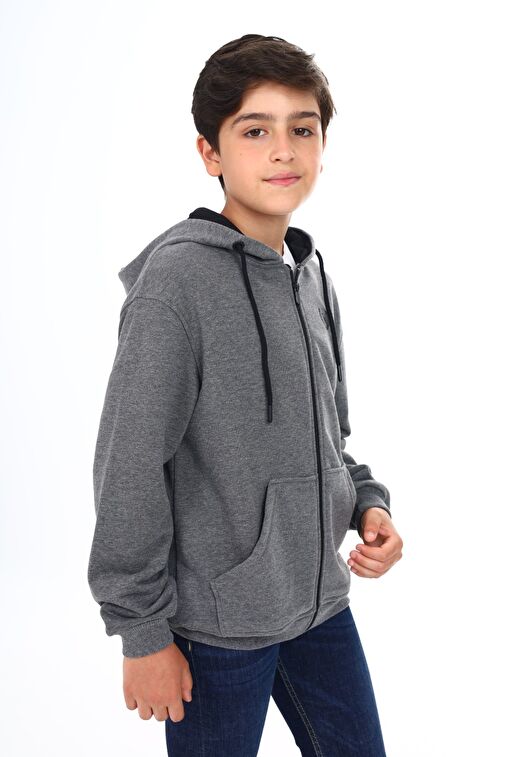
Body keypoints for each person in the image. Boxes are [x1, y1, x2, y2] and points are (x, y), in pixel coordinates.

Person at [87, 33, 403, 756]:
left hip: (317, 603)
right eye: (255, 131)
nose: (283, 151)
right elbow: (128, 465)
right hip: (217, 625)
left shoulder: (309, 273)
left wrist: (367, 503)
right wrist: (142, 633)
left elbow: (329, 438)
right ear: (211, 153)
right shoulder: (176, 285)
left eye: (302, 130)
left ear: (323, 145)